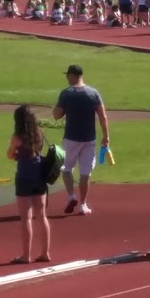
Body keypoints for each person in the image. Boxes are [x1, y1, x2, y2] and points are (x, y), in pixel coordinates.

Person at [53, 64, 109, 215]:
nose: (67, 78)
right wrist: (106, 136)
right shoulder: (93, 93)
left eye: (67, 75)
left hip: (71, 138)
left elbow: (56, 115)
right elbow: (103, 117)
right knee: (85, 173)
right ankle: (83, 204)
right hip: (89, 138)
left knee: (66, 169)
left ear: (73, 75)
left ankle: (72, 196)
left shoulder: (66, 93)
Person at [7, 105, 51, 264]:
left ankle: (26, 255)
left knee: (26, 218)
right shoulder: (39, 134)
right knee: (42, 216)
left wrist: (16, 152)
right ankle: (45, 252)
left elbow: (10, 154)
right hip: (39, 176)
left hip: (24, 176)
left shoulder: (17, 137)